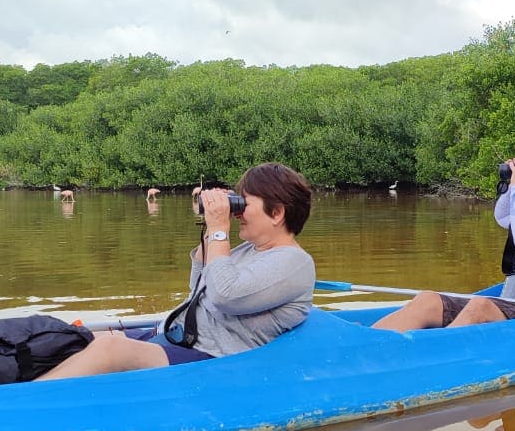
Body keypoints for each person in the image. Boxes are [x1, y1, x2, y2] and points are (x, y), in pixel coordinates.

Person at [36, 162, 315, 380]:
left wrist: (220, 231)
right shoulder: (248, 249)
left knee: (111, 350)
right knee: (91, 339)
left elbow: (224, 296)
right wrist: (213, 228)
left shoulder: (294, 263)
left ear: (277, 213)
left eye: (244, 204)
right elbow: (198, 291)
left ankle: (24, 405)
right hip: (180, 339)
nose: (237, 212)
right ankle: (19, 386)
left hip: (215, 360)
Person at [373, 136, 515, 331]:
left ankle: (428, 357)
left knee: (479, 307)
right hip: (510, 305)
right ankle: (366, 342)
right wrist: (510, 183)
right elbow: (503, 217)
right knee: (429, 299)